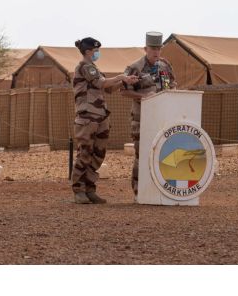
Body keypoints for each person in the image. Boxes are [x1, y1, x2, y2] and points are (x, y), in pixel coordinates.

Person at [71, 37, 139, 204]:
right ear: (88, 51)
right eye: (95, 51)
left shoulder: (94, 68)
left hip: (100, 117)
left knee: (98, 154)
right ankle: (78, 190)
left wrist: (125, 81)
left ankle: (90, 189)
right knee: (85, 153)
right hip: (87, 118)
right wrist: (120, 76)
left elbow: (108, 88)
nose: (97, 53)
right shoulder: (84, 67)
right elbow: (102, 83)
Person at [121, 31, 177, 197]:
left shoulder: (165, 65)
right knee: (142, 154)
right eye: (153, 48)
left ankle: (159, 189)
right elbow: (123, 91)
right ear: (145, 48)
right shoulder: (135, 67)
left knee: (163, 153)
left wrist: (172, 91)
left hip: (163, 119)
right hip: (142, 119)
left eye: (159, 48)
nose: (156, 52)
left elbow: (173, 83)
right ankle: (139, 191)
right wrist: (144, 96)